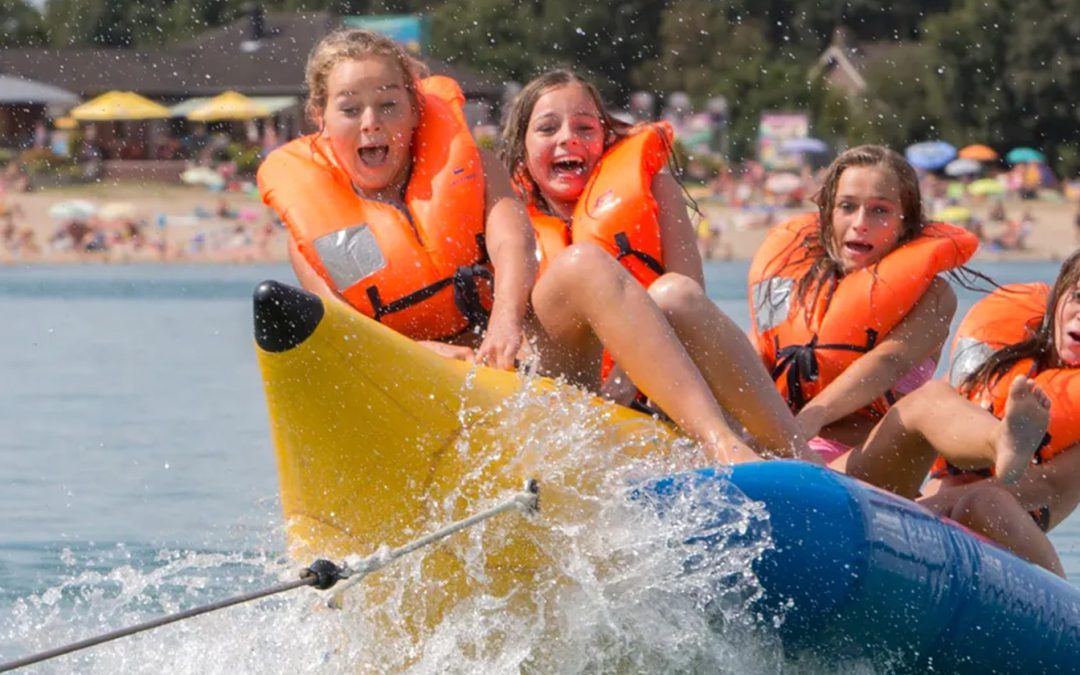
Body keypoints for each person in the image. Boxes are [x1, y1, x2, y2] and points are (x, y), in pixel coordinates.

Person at [259, 30, 800, 465]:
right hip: (420, 390)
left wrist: (505, 321)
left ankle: (719, 442)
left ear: (415, 110)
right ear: (320, 117)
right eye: (350, 109)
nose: (371, 122)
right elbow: (345, 335)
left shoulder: (472, 168)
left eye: (388, 105)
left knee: (586, 262)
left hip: (521, 365)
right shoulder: (308, 233)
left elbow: (513, 241)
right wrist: (432, 354)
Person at [497, 68, 813, 463]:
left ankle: (797, 458)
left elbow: (690, 297)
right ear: (521, 147)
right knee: (584, 263)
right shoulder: (505, 211)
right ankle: (723, 440)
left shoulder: (652, 186)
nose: (568, 138)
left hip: (658, 384)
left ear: (605, 138)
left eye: (585, 126)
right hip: (565, 381)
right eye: (547, 128)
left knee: (675, 293)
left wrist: (630, 376)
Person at [841, 252, 1080, 575]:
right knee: (929, 399)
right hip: (935, 504)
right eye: (1078, 297)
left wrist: (911, 513)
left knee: (984, 503)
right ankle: (1001, 440)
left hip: (1002, 529)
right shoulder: (1003, 345)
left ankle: (1067, 615)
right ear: (1058, 294)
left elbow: (1046, 486)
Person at [748, 145, 980, 464]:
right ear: (828, 212)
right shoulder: (788, 274)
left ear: (905, 222)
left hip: (864, 459)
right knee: (685, 301)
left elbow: (889, 361)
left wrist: (812, 417)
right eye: (847, 206)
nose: (861, 222)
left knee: (931, 398)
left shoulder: (934, 296)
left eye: (880, 210)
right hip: (778, 442)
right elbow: (758, 349)